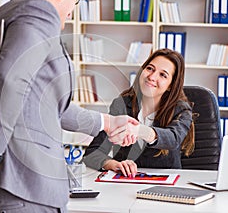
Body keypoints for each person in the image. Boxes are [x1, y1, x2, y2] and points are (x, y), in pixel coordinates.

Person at [0, 0, 138, 212]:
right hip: (16, 187)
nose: (72, 12)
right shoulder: (38, 12)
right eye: (75, 1)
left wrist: (107, 122)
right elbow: (9, 80)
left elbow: (42, 104)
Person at [82, 48, 195, 177]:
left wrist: (138, 130)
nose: (152, 77)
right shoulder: (122, 104)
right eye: (150, 69)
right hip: (126, 182)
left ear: (171, 85)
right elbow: (92, 153)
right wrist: (113, 164)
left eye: (163, 75)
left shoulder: (181, 109)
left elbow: (173, 138)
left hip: (165, 183)